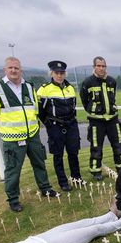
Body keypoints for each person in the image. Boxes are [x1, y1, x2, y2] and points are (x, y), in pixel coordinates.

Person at [0, 57, 58, 212]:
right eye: (10, 68)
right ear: (5, 69)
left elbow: (35, 110)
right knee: (13, 170)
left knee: (39, 163)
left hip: (32, 135)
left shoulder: (29, 87)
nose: (13, 70)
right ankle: (13, 199)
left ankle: (45, 188)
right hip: (13, 138)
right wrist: (12, 127)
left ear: (21, 69)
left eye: (16, 68)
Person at [36, 60, 83, 192]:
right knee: (58, 155)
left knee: (73, 152)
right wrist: (49, 124)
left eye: (62, 73)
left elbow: (73, 107)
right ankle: (63, 182)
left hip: (71, 124)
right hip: (55, 126)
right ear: (51, 73)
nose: (60, 75)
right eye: (57, 73)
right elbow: (40, 111)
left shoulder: (70, 88)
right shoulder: (44, 89)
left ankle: (76, 177)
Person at [80, 56, 121, 181]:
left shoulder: (112, 81)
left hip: (113, 119)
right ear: (94, 67)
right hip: (96, 121)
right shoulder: (87, 82)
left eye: (103, 66)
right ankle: (96, 171)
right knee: (96, 146)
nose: (101, 68)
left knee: (118, 145)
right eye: (98, 66)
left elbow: (112, 97)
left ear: (106, 67)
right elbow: (84, 100)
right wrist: (92, 110)